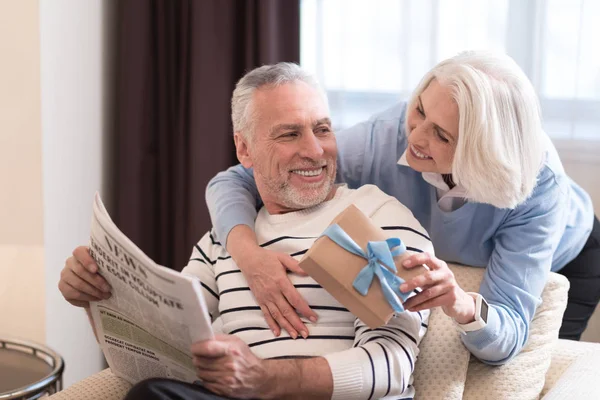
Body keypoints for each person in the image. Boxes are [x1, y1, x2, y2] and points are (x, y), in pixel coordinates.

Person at [58, 63, 435, 399]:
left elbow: (393, 365)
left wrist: (265, 379)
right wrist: (98, 300)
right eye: (289, 135)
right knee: (150, 392)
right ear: (245, 149)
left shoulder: (378, 214)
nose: (316, 150)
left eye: (322, 129)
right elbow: (165, 356)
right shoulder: (221, 241)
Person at [205, 51, 600, 365]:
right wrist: (249, 256)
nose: (415, 137)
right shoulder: (389, 135)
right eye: (421, 110)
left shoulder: (538, 189)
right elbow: (237, 178)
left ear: (480, 155)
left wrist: (462, 303)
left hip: (572, 257)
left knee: (519, 365)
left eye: (441, 135)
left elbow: (508, 333)